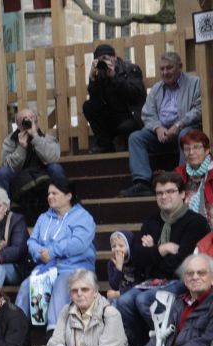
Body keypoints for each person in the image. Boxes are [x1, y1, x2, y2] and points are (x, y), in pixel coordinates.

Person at [115, 172, 208, 346]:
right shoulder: (151, 222)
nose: (164, 196)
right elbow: (137, 257)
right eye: (159, 193)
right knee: (123, 302)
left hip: (182, 281)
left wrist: (151, 253)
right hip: (153, 281)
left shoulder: (195, 223)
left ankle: (169, 344)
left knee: (144, 300)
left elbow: (181, 264)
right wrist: (161, 249)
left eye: (170, 191)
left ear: (183, 194)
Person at [14, 179, 95, 331]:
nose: (50, 196)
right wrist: (41, 253)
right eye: (49, 194)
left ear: (68, 196)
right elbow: (32, 241)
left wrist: (52, 252)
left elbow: (79, 243)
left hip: (75, 267)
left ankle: (54, 331)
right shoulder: (44, 217)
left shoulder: (82, 216)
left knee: (61, 285)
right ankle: (17, 330)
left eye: (54, 193)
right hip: (47, 267)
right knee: (26, 286)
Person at [120, 52, 202, 197]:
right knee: (136, 137)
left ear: (180, 66)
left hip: (184, 129)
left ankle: (182, 180)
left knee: (186, 135)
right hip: (161, 134)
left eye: (169, 68)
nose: (165, 72)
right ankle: (142, 182)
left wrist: (178, 125)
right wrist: (157, 127)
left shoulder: (194, 83)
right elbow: (147, 113)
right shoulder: (156, 89)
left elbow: (199, 109)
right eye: (162, 69)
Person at [82, 43, 146, 154]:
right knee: (88, 106)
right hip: (112, 117)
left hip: (130, 115)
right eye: (98, 60)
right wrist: (92, 79)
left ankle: (128, 147)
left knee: (125, 127)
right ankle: (105, 145)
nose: (103, 62)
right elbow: (95, 101)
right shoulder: (100, 73)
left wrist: (114, 77)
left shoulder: (131, 69)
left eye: (105, 58)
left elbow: (135, 94)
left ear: (115, 57)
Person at [0, 108, 65, 198]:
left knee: (56, 168)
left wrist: (36, 137)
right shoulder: (10, 141)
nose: (27, 121)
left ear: (36, 121)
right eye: (23, 120)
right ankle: (3, 204)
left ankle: (61, 201)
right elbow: (6, 165)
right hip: (19, 175)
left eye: (31, 118)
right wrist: (21, 148)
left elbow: (52, 158)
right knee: (2, 173)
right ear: (18, 125)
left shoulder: (48, 138)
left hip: (42, 173)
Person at [175, 130, 213, 227]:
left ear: (207, 150)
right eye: (187, 149)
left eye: (196, 147)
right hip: (188, 227)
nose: (191, 152)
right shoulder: (179, 173)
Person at [106, 230, 144, 301]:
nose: (117, 249)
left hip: (133, 293)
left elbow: (139, 284)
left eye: (121, 246)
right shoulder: (111, 263)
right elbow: (114, 286)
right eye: (114, 246)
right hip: (118, 293)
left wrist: (120, 293)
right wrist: (118, 267)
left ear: (129, 246)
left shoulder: (135, 260)